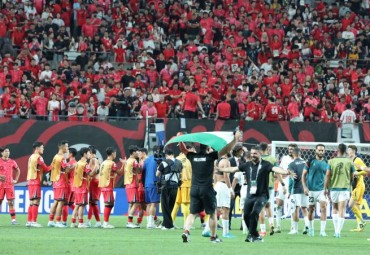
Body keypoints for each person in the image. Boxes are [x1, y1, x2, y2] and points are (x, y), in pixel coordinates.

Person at [218, 145, 289, 242]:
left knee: (255, 212)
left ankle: (252, 235)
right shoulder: (247, 165)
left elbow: (275, 169)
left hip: (262, 195)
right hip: (250, 195)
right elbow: (233, 169)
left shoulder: (266, 164)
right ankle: (253, 235)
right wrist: (220, 169)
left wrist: (285, 172)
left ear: (260, 153)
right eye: (251, 153)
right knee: (246, 215)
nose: (253, 155)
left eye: (255, 153)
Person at [181, 131, 240, 243]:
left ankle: (186, 231)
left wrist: (180, 141)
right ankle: (213, 237)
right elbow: (226, 150)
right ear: (208, 148)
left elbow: (184, 150)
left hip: (194, 189)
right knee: (212, 213)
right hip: (206, 189)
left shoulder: (192, 156)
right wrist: (235, 140)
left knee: (193, 213)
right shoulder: (211, 156)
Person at [324, 143, 355, 238]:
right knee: (342, 209)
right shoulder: (350, 162)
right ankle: (338, 232)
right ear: (345, 151)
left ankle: (335, 230)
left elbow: (328, 175)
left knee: (335, 208)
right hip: (345, 188)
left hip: (333, 188)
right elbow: (352, 176)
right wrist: (349, 183)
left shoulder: (331, 161)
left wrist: (325, 188)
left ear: (337, 150)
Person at [302, 144, 329, 237]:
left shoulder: (326, 162)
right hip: (311, 190)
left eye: (322, 150)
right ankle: (311, 229)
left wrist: (326, 188)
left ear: (324, 151)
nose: (321, 152)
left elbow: (327, 176)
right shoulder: (310, 161)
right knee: (311, 209)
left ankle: (322, 231)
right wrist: (305, 187)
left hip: (321, 190)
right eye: (319, 150)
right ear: (316, 150)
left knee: (324, 208)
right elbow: (303, 175)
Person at [26, 141, 52, 227]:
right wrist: (53, 165)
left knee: (32, 201)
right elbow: (46, 169)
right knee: (36, 201)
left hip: (30, 180)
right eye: (42, 147)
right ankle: (34, 221)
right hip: (35, 181)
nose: (43, 149)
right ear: (37, 148)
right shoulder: (38, 157)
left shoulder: (31, 156)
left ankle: (29, 221)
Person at [98, 147, 125, 228]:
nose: (115, 154)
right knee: (109, 204)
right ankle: (105, 223)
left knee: (110, 204)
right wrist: (124, 163)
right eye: (115, 153)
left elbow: (110, 173)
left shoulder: (103, 163)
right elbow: (120, 172)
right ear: (113, 153)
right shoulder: (112, 163)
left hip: (103, 185)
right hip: (107, 186)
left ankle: (106, 222)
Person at [156, 148, 183, 230]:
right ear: (173, 154)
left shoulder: (164, 162)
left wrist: (159, 166)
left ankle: (168, 225)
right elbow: (181, 174)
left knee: (165, 205)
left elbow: (157, 174)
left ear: (166, 155)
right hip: (175, 186)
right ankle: (165, 223)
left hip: (166, 186)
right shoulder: (179, 162)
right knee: (171, 205)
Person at [48, 140, 71, 228]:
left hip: (56, 181)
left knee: (56, 201)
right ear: (62, 147)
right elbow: (66, 170)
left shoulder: (55, 156)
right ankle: (58, 221)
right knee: (60, 202)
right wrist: (73, 167)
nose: (67, 148)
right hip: (61, 182)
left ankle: (51, 221)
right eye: (67, 146)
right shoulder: (62, 158)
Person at [259, 142, 280, 236]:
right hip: (270, 186)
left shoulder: (258, 159)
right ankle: (271, 224)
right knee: (268, 205)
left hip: (260, 186)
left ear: (260, 149)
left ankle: (263, 230)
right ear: (267, 148)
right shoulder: (272, 159)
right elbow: (277, 172)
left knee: (261, 208)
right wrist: (281, 182)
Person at [71, 147, 95, 228]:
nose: (89, 155)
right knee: (81, 205)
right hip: (83, 187)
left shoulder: (78, 163)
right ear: (84, 154)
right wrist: (96, 166)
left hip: (77, 187)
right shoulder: (85, 164)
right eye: (88, 153)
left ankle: (73, 222)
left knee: (77, 205)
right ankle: (81, 223)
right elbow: (90, 174)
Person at [287, 147, 309, 235]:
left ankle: (295, 230)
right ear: (300, 154)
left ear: (293, 154)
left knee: (295, 209)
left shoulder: (291, 164)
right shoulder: (306, 163)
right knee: (304, 208)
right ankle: (307, 225)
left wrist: (289, 190)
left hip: (296, 189)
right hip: (305, 188)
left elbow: (293, 177)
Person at [275, 143, 297, 233]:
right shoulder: (284, 158)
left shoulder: (299, 160)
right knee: (278, 204)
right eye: (289, 149)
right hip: (283, 184)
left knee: (292, 206)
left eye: (292, 149)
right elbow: (279, 170)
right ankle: (278, 226)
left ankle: (292, 227)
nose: (290, 150)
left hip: (293, 185)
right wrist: (283, 173)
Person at [171, 143, 193, 229]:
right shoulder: (189, 159)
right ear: (188, 149)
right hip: (186, 183)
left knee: (176, 203)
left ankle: (171, 222)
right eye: (192, 149)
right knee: (186, 203)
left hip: (178, 183)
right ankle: (186, 224)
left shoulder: (177, 158)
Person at [347, 145, 367, 231]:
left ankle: (362, 221)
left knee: (351, 204)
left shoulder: (357, 160)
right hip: (354, 186)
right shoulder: (349, 161)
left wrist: (356, 173)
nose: (348, 152)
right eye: (348, 150)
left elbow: (365, 171)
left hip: (359, 186)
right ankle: (360, 227)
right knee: (357, 206)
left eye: (350, 150)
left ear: (354, 151)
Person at [213, 155, 234, 238]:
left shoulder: (216, 161)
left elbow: (214, 175)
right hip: (223, 185)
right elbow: (226, 176)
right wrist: (230, 189)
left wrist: (215, 185)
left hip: (217, 185)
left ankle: (207, 229)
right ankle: (225, 233)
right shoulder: (226, 161)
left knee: (216, 209)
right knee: (225, 209)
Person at [0, 147, 20, 225]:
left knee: (10, 202)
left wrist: (16, 180)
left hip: (9, 185)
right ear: (2, 153)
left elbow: (18, 170)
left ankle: (13, 220)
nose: (8, 152)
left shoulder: (12, 162)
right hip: (0, 185)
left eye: (8, 151)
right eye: (6, 151)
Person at [143, 146, 162, 229]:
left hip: (147, 184)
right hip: (154, 184)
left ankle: (149, 222)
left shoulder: (147, 160)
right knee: (153, 205)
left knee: (149, 204)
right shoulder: (159, 160)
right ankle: (151, 223)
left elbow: (143, 171)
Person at [124, 145, 141, 228]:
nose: (138, 153)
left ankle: (129, 222)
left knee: (131, 203)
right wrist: (140, 163)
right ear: (133, 152)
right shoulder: (134, 161)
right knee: (136, 202)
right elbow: (139, 170)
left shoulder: (127, 161)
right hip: (132, 183)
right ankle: (130, 222)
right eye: (137, 151)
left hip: (127, 184)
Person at [87, 146, 102, 228]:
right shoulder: (95, 159)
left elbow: (96, 168)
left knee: (94, 202)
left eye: (88, 152)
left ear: (91, 152)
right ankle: (89, 221)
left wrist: (90, 174)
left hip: (94, 182)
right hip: (95, 182)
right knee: (92, 203)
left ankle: (98, 222)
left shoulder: (93, 159)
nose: (87, 154)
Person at [64, 147, 77, 224]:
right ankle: (79, 217)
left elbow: (66, 174)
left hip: (70, 185)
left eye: (68, 153)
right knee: (70, 203)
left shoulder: (69, 164)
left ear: (71, 154)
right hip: (74, 185)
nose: (66, 154)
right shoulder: (77, 163)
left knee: (65, 203)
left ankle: (64, 222)